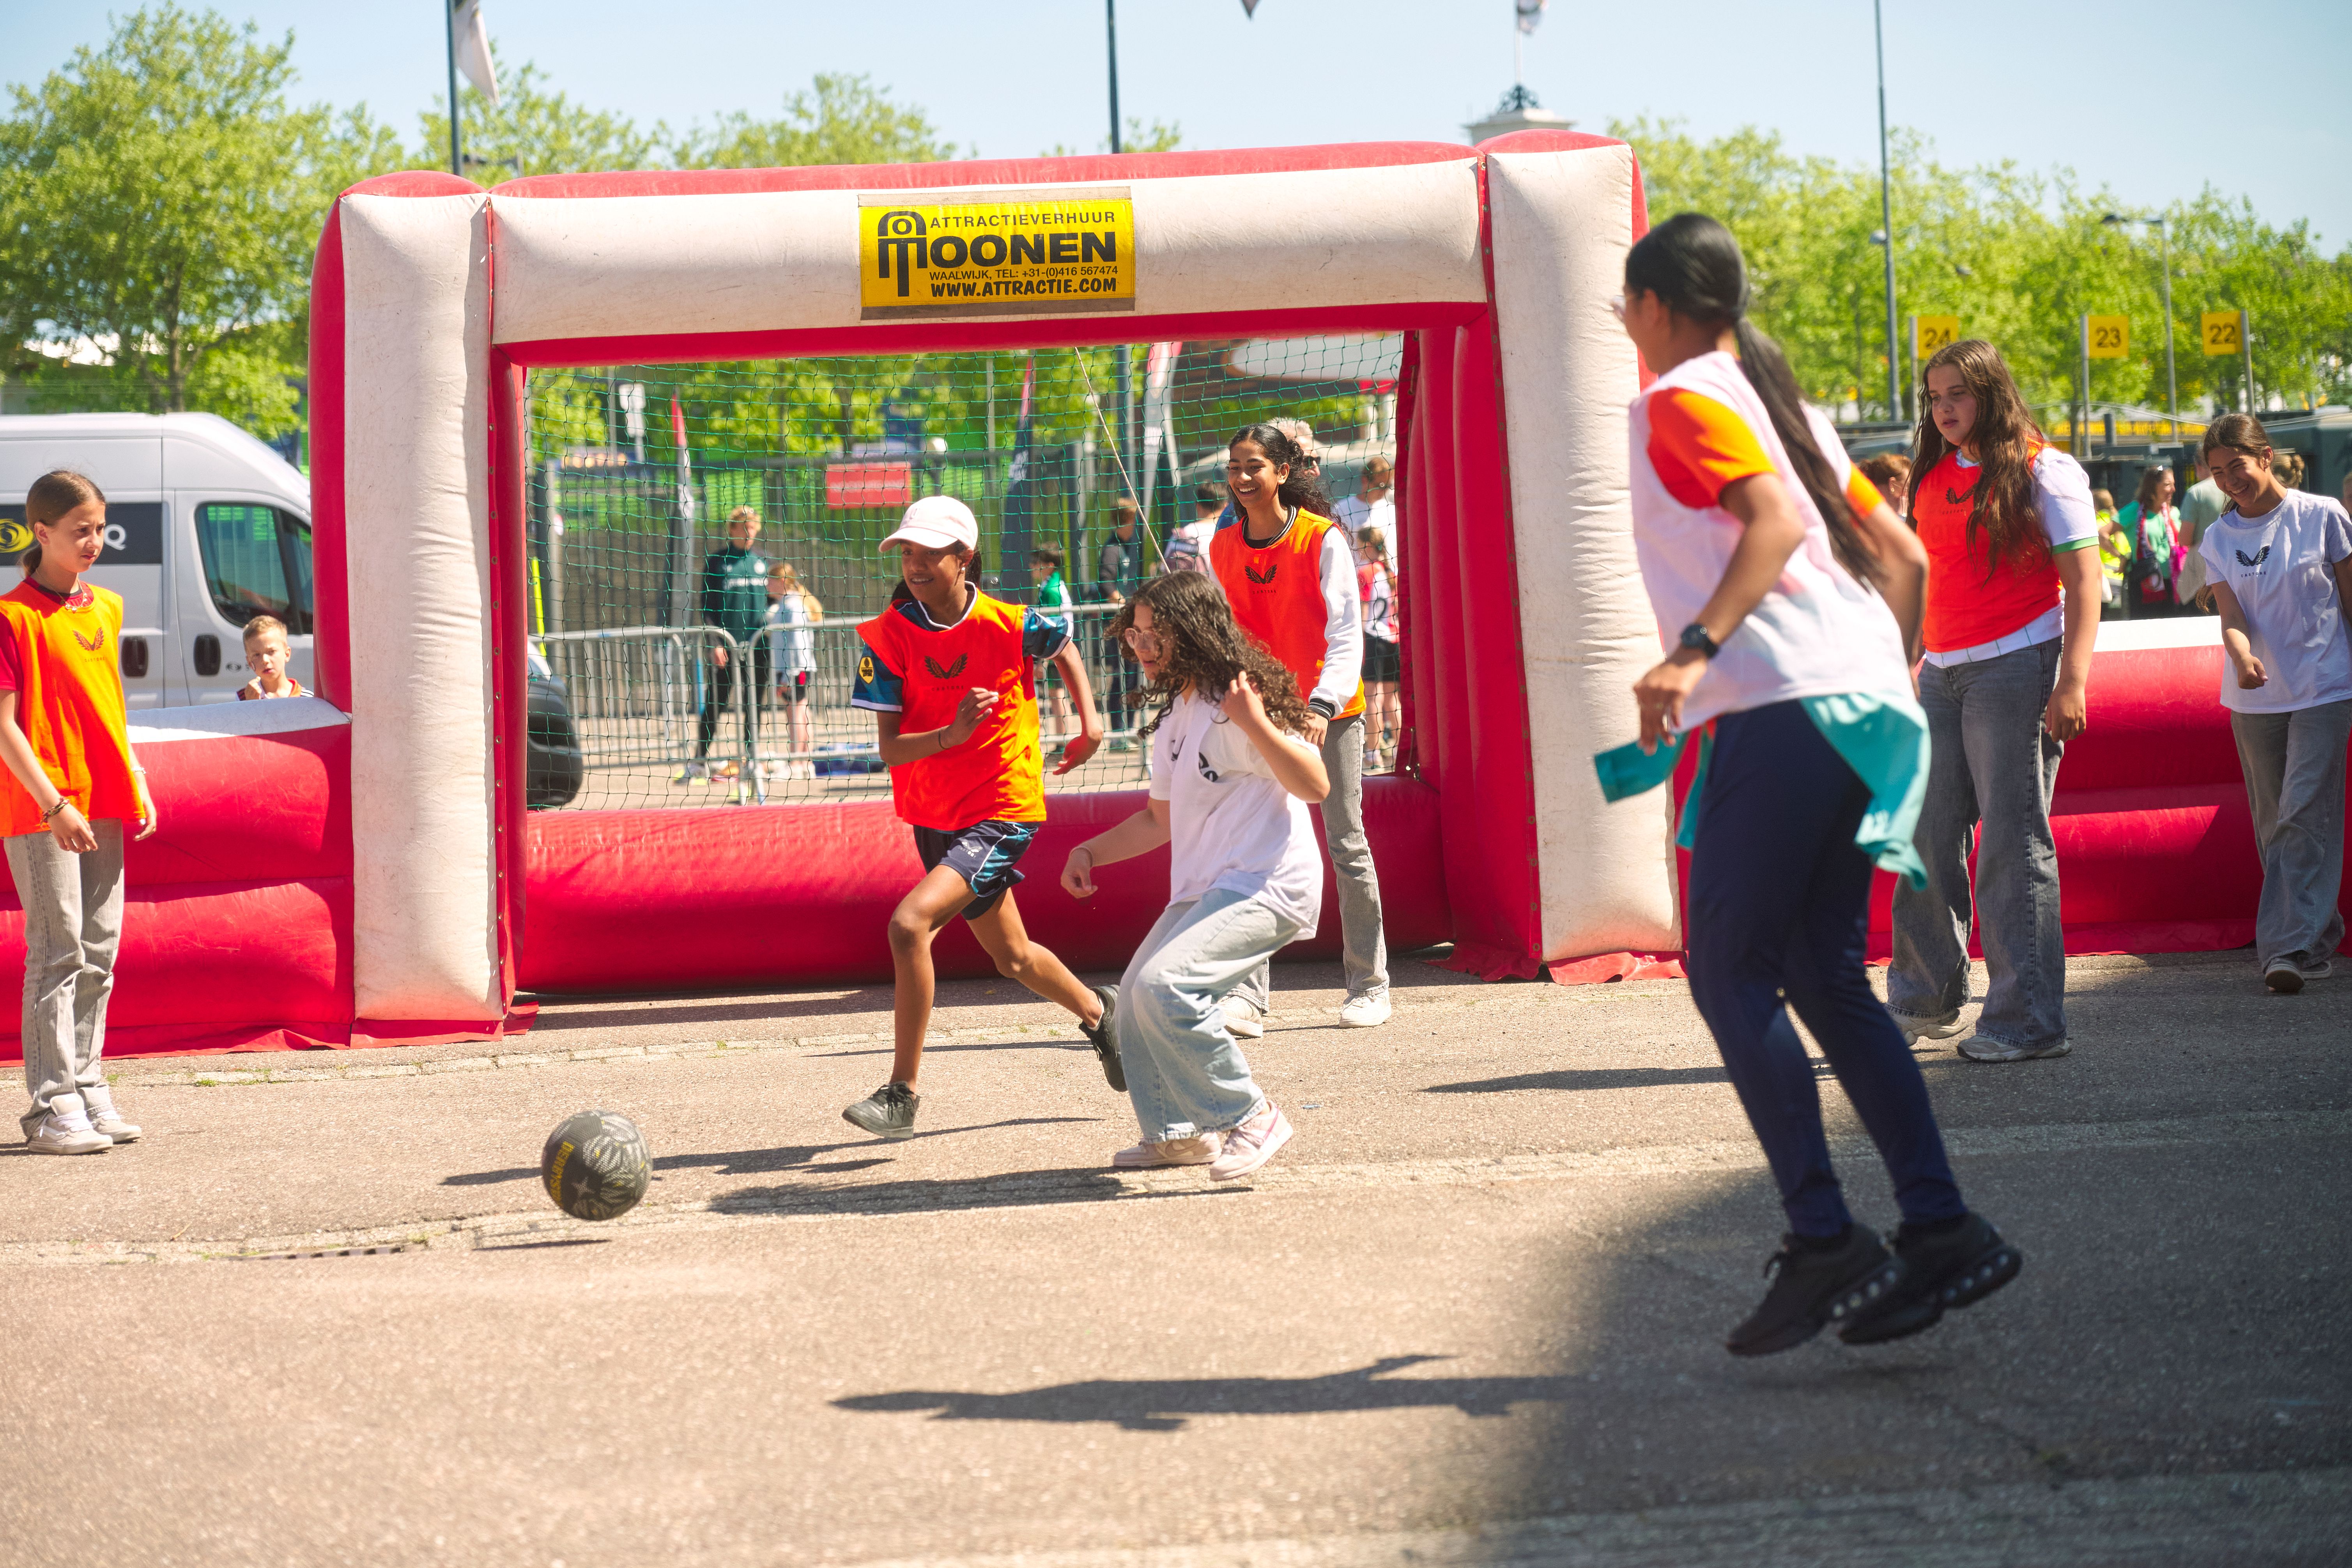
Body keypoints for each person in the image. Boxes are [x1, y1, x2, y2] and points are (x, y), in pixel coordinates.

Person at [1607, 213, 2016, 1356]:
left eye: (1626, 311)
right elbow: (1909, 558)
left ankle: (1825, 1232)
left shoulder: (1680, 397)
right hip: (1864, 697)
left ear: (1654, 306)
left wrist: (1691, 647)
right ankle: (1938, 1225)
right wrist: (1877, 680)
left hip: (1781, 700)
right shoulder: (1787, 408)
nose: (1626, 332)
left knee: (1727, 967)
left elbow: (1774, 524)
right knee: (1827, 973)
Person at [843, 496, 1120, 1139]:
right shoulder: (886, 639)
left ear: (961, 557)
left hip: (1001, 807)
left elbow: (1065, 646)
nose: (912, 564)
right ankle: (1099, 1014)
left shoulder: (1011, 622)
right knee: (1014, 958)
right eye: (905, 552)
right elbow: (889, 750)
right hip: (934, 812)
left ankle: (901, 1094)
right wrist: (952, 732)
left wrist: (1091, 724)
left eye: (926, 552)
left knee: (909, 925)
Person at [1059, 570, 1329, 1180]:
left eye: (1157, 634)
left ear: (1194, 632)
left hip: (1266, 884)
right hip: (1208, 888)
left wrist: (1257, 721)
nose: (1143, 647)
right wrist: (1090, 852)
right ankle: (1177, 1135)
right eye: (1136, 634)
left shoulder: (1234, 706)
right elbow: (1159, 821)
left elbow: (1315, 785)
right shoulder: (1177, 716)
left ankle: (1251, 1114)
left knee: (1166, 987)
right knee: (1132, 1001)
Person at [1888, 338, 2101, 1064]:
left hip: (2018, 668)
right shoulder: (1930, 472)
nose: (1943, 409)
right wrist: (1908, 658)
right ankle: (1923, 1001)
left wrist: (2071, 680)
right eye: (1933, 396)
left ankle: (2026, 1021)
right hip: (1939, 673)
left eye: (1957, 394)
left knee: (2011, 846)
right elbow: (1934, 576)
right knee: (1923, 835)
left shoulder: (2046, 468)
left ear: (1989, 391)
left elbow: (2084, 583)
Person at [1209, 421, 1389, 1031]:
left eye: (1253, 466)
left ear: (1282, 472)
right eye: (1234, 468)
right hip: (1262, 715)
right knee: (1252, 850)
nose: (1241, 478)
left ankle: (1369, 983)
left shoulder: (1324, 540)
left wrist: (1319, 706)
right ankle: (1247, 997)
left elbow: (1345, 634)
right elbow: (1222, 635)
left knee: (1345, 841)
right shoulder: (1223, 546)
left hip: (1328, 714)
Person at [2, 471, 158, 1154]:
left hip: (105, 801)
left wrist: (137, 779)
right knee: (58, 951)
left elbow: (109, 709)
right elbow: (5, 728)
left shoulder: (108, 607)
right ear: (41, 533)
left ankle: (88, 1085)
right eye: (79, 530)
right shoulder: (11, 617)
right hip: (44, 809)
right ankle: (50, 1106)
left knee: (99, 952)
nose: (94, 541)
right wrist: (53, 803)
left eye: (100, 528)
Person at [2195, 413, 2352, 994]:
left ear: (2264, 455)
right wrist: (2240, 658)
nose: (2229, 479)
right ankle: (2317, 930)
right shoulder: (2218, 539)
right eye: (2216, 473)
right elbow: (2231, 618)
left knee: (2303, 812)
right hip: (2254, 697)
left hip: (2324, 687)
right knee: (2273, 823)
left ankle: (2284, 948)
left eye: (2236, 464)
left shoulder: (2323, 516)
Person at [678, 505, 772, 785]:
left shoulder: (763, 561)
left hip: (759, 648)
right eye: (743, 527)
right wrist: (715, 642)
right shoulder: (718, 562)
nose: (749, 532)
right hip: (728, 647)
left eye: (753, 526)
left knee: (754, 705)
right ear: (732, 529)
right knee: (716, 704)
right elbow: (706, 606)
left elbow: (775, 600)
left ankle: (750, 759)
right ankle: (698, 761)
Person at [765, 562, 821, 780]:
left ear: (781, 581)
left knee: (796, 714)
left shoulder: (793, 606)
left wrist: (789, 674)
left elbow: (798, 642)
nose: (767, 585)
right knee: (799, 712)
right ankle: (804, 762)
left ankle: (798, 763)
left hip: (795, 669)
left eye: (770, 581)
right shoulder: (785, 605)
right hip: (793, 669)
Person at [1357, 525, 1401, 772]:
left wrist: (1358, 643)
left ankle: (1373, 752)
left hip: (1373, 639)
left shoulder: (1367, 572)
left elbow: (1364, 611)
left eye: (1360, 545)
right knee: (1391, 699)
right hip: (1393, 640)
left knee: (1373, 698)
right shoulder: (1390, 572)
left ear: (1369, 546)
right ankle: (1397, 750)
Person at [2118, 467, 2184, 615]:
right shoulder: (2135, 510)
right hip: (2145, 584)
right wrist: (2121, 557)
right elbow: (2103, 534)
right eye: (2168, 485)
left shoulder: (2174, 512)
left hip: (2174, 583)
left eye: (2173, 484)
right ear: (2153, 486)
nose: (2173, 489)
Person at [1028, 545, 1076, 743]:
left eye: (1036, 563)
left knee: (1057, 696)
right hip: (1058, 647)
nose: (1032, 567)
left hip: (1057, 648)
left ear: (1049, 565)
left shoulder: (1051, 590)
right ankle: (1062, 740)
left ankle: (1062, 742)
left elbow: (1050, 626)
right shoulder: (1052, 585)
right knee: (1057, 695)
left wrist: (1042, 662)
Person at [2177, 451, 2230, 609]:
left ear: (2198, 466)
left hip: (2203, 574)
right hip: (2232, 567)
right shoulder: (2233, 488)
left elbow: (2185, 539)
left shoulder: (2196, 493)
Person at [1333, 454, 1398, 562]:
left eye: (1388, 486)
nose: (1385, 491)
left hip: (1388, 576)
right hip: (1357, 576)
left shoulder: (1392, 511)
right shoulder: (1341, 509)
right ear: (1365, 480)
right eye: (1381, 486)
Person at [236, 614, 307, 700]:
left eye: (271, 652)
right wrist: (251, 704)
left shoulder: (306, 699)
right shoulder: (243, 698)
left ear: (287, 654)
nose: (265, 661)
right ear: (250, 663)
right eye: (257, 655)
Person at [1163, 485, 1223, 573]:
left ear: (1198, 506)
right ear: (1226, 506)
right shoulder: (1223, 536)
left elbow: (1165, 570)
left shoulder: (1178, 535)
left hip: (1175, 586)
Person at [2092, 490, 2130, 614]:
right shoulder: (2118, 524)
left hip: (2104, 582)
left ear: (2095, 505)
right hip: (2121, 579)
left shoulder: (2094, 525)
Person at [1857, 453, 1911, 521]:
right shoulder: (1870, 514)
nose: (1909, 493)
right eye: (1907, 486)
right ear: (1893, 484)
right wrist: (1902, 515)